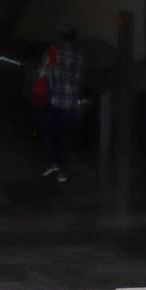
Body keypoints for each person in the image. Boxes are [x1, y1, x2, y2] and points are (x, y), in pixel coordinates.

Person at [38, 26, 87, 183]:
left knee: (49, 132)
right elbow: (80, 80)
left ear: (61, 37)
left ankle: (52, 163)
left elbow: (42, 73)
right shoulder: (79, 56)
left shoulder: (53, 52)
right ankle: (63, 171)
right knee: (65, 134)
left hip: (53, 100)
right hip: (70, 102)